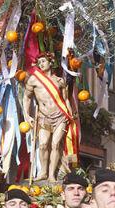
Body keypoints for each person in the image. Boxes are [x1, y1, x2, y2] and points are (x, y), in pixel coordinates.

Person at [22, 52, 77, 182]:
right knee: (42, 144)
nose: (41, 64)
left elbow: (65, 100)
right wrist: (26, 115)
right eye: (39, 62)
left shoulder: (59, 81)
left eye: (43, 61)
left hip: (60, 116)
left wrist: (70, 114)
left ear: (50, 63)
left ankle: (52, 174)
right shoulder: (33, 80)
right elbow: (26, 98)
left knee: (56, 144)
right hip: (43, 116)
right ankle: (43, 172)